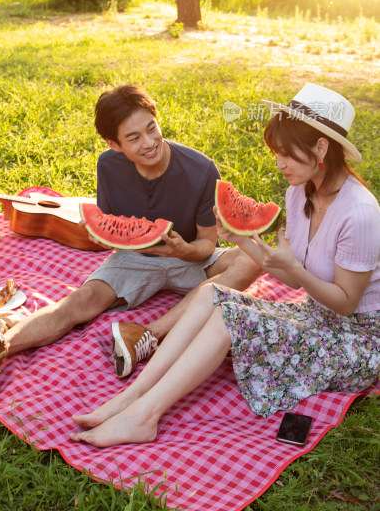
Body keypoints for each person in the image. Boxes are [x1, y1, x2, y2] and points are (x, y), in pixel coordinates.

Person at [69, 83, 380, 447]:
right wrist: (240, 237)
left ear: (321, 147)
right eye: (276, 153)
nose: (279, 164)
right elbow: (293, 280)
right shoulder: (300, 191)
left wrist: (295, 269)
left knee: (226, 316)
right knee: (212, 294)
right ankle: (129, 397)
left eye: (287, 154)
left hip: (357, 341)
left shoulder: (360, 214)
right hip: (314, 316)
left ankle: (144, 416)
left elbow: (343, 302)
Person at [0, 84, 259, 384]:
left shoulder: (201, 169)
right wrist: (103, 236)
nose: (149, 142)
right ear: (115, 144)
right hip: (134, 258)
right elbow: (110, 226)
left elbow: (207, 243)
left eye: (152, 128)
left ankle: (147, 334)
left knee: (250, 257)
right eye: (134, 138)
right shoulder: (108, 165)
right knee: (79, 302)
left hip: (190, 259)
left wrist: (183, 251)